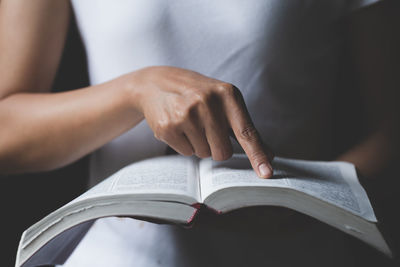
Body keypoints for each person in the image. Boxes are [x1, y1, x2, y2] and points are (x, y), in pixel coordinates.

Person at [0, 0, 398, 266]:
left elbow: (390, 138)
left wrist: (310, 207)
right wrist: (134, 90)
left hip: (295, 253)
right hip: (119, 255)